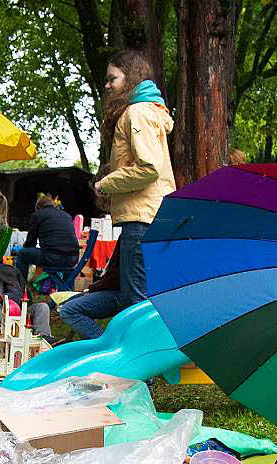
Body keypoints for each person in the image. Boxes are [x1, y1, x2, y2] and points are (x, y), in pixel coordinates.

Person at [94, 50, 174, 309]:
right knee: (144, 301)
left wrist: (105, 183)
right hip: (149, 216)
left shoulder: (137, 113)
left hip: (141, 218)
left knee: (137, 305)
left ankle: (144, 350)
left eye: (112, 78)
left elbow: (148, 167)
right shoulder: (147, 112)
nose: (107, 85)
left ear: (130, 78)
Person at [14, 193, 79, 285]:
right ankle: (68, 292)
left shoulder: (37, 215)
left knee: (22, 254)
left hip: (53, 257)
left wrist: (26, 248)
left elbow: (30, 242)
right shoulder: (67, 215)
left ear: (38, 207)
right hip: (73, 258)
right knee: (65, 261)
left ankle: (20, 289)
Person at [59, 245, 121, 340]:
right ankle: (89, 343)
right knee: (69, 301)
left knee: (68, 310)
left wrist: (94, 287)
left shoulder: (130, 238)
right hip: (120, 289)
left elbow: (116, 279)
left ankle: (104, 345)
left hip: (120, 292)